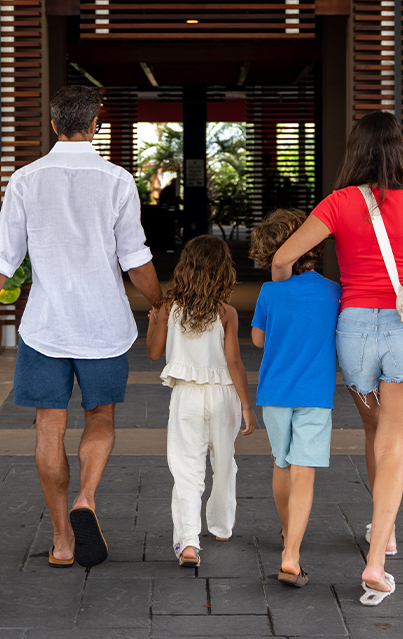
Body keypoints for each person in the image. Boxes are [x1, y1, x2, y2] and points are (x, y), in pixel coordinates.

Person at [0, 84, 163, 569]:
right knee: (100, 416)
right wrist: (162, 302)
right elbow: (135, 258)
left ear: (52, 124)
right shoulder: (117, 181)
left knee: (49, 427)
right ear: (95, 125)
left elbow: (0, 258)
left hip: (44, 327)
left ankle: (63, 539)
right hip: (104, 326)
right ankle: (86, 495)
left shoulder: (25, 179)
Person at [271, 110, 403, 606]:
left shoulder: (339, 203)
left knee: (374, 431)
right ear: (399, 152)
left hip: (354, 333)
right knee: (394, 443)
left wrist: (291, 306)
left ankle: (382, 530)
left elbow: (283, 259)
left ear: (355, 152)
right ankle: (376, 559)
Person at [145, 235, 256, 568]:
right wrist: (247, 405)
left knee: (186, 469)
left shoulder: (169, 309)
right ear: (223, 271)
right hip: (224, 396)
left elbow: (153, 354)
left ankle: (188, 543)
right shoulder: (227, 312)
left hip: (186, 398)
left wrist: (153, 323)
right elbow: (234, 363)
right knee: (224, 462)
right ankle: (221, 526)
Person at [248, 209, 341, 588]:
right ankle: (292, 555)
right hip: (315, 395)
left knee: (281, 464)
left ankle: (288, 533)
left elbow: (257, 340)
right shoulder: (334, 291)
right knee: (305, 471)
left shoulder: (270, 291)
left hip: (274, 394)